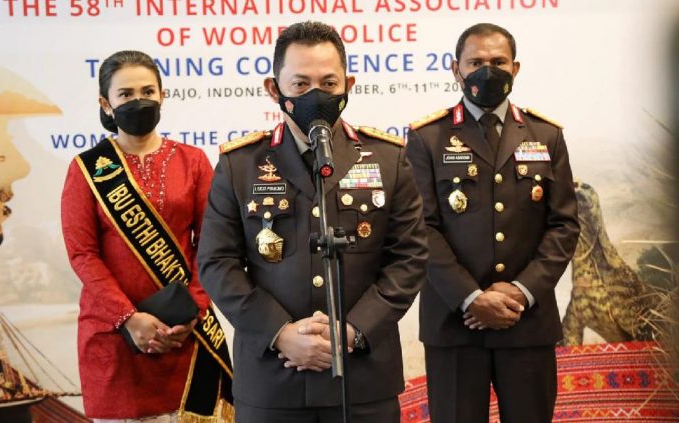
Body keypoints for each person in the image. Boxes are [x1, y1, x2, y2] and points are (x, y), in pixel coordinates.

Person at [197, 21, 428, 423]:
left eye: (328, 83)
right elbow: (218, 264)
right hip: (273, 381)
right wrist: (280, 334)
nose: (315, 96)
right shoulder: (240, 165)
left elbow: (409, 258)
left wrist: (352, 331)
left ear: (348, 85)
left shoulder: (387, 159)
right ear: (275, 90)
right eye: (301, 85)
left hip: (362, 379)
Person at [406, 23, 580, 422]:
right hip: (455, 322)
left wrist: (520, 292)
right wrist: (472, 298)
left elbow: (564, 225)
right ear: (456, 69)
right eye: (476, 62)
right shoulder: (427, 138)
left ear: (515, 69)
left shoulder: (546, 135)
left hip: (526, 321)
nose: (488, 71)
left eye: (498, 62)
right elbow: (421, 229)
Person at [61, 50, 232, 423]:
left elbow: (212, 245)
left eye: (147, 91)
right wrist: (128, 317)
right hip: (114, 339)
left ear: (162, 96)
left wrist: (193, 311)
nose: (138, 101)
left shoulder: (192, 161)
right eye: (125, 94)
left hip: (185, 336)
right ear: (106, 104)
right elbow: (83, 255)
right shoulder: (85, 170)